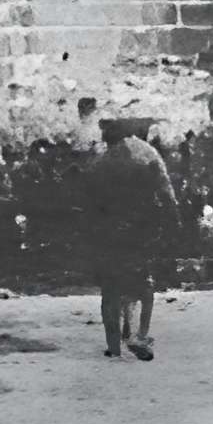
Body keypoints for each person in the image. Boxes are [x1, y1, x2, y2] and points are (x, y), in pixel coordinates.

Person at [85, 116, 180, 361]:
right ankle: (139, 334)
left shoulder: (99, 164)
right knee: (143, 285)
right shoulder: (144, 157)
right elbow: (164, 192)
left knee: (110, 289)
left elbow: (89, 204)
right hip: (138, 229)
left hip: (106, 232)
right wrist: (173, 219)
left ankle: (114, 344)